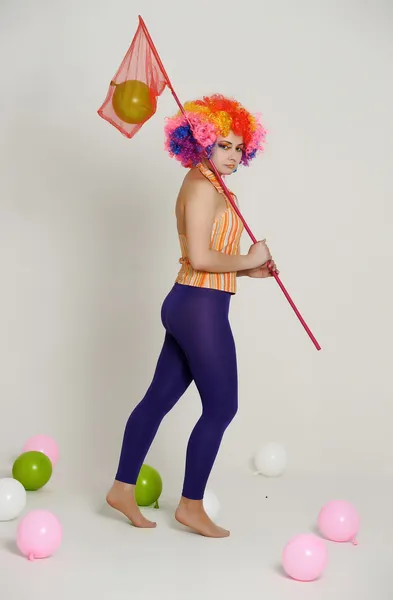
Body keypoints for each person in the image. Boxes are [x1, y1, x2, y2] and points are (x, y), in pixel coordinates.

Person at [106, 94, 278, 538]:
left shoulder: (215, 186)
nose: (233, 155)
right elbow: (201, 258)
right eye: (223, 144)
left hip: (196, 302)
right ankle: (191, 505)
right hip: (197, 307)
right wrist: (247, 258)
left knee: (157, 401)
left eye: (239, 147)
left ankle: (122, 488)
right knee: (222, 407)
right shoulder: (201, 187)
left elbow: (212, 258)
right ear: (199, 141)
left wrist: (251, 268)